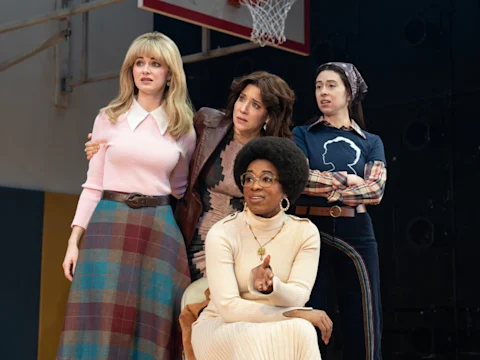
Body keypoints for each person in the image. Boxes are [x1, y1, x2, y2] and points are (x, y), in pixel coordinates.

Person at [57, 32, 196, 360]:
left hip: (159, 231)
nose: (145, 70)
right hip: (108, 223)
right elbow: (93, 184)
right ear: (130, 70)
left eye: (155, 64)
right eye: (139, 63)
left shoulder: (184, 128)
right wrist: (73, 240)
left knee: (153, 326)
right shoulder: (109, 118)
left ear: (170, 74)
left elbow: (180, 188)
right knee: (100, 323)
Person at [85, 71, 296, 282]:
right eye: (242, 99)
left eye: (256, 105)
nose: (243, 109)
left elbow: (296, 179)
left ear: (269, 116)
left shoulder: (273, 154)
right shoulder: (207, 123)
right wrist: (107, 143)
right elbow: (163, 144)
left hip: (237, 248)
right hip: (189, 239)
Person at [191, 137, 333, 360]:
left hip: (268, 323)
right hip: (222, 325)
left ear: (285, 187)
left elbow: (299, 296)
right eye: (249, 178)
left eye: (266, 179)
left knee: (303, 331)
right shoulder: (223, 232)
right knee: (254, 335)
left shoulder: (304, 232)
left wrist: (272, 288)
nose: (254, 185)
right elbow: (229, 308)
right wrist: (294, 314)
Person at [292, 62, 387, 360]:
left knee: (364, 317)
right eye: (319, 86)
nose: (323, 92)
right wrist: (348, 180)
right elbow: (298, 178)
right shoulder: (302, 134)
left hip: (356, 231)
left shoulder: (371, 141)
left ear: (350, 93)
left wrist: (326, 185)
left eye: (331, 85)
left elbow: (375, 190)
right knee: (311, 314)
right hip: (310, 230)